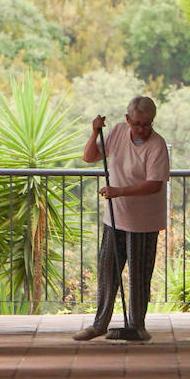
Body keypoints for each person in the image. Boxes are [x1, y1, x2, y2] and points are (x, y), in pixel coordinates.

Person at [74, 96, 170, 342]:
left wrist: (119, 191)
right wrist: (94, 133)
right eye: (137, 123)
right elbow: (89, 157)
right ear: (128, 120)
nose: (142, 129)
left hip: (144, 222)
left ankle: (137, 326)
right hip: (116, 217)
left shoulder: (157, 146)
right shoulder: (116, 132)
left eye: (147, 124)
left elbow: (154, 184)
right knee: (107, 270)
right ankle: (99, 324)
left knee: (138, 275)